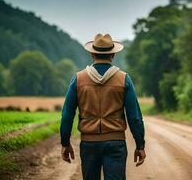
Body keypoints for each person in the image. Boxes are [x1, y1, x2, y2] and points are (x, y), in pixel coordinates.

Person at [60, 33, 146, 180]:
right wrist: (140, 145)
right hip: (116, 143)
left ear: (92, 53)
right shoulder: (124, 79)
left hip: (89, 143)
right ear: (112, 54)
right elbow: (135, 117)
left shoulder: (78, 79)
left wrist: (65, 143)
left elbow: (67, 116)